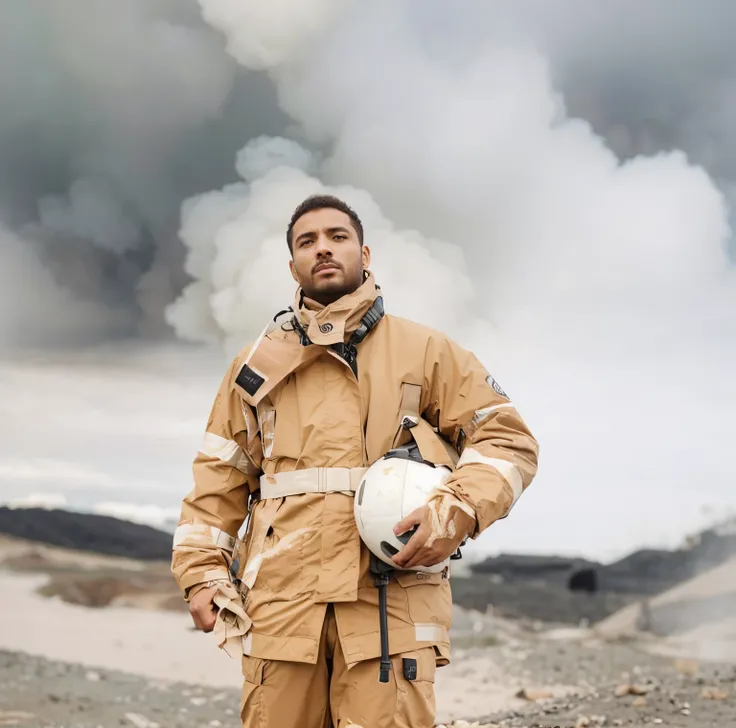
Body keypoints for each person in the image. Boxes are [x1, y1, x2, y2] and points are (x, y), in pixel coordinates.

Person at [171, 194, 540, 728]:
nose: (323, 248)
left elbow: (508, 440)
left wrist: (453, 512)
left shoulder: (426, 351)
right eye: (307, 241)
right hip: (280, 609)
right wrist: (202, 573)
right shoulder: (253, 369)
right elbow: (219, 479)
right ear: (292, 264)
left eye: (337, 237)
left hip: (391, 605)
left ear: (365, 254)